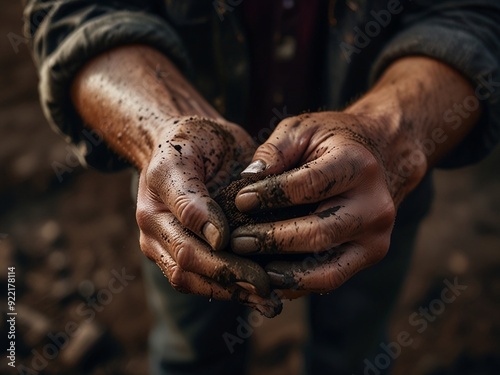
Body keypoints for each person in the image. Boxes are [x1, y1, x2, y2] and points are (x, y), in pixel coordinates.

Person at [23, 0, 500, 373]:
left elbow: (474, 15)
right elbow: (77, 11)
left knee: (351, 355)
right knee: (192, 353)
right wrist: (161, 127)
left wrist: (388, 138)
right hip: (187, 188)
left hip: (373, 193)